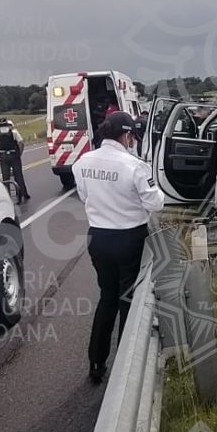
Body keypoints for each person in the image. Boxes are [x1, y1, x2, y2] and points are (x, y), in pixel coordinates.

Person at [72, 112, 165, 383]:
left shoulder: (82, 162)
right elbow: (155, 203)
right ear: (126, 136)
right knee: (128, 301)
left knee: (107, 297)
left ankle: (96, 363)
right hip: (129, 240)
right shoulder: (134, 166)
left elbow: (84, 196)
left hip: (98, 239)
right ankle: (126, 370)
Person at [0, 118, 30, 203]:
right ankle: (23, 194)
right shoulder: (13, 132)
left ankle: (8, 197)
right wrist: (19, 154)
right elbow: (21, 143)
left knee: (6, 178)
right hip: (14, 156)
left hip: (3, 157)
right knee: (18, 176)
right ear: (7, 124)